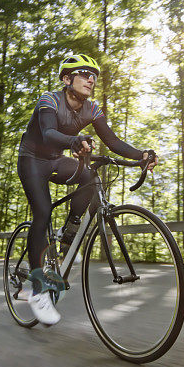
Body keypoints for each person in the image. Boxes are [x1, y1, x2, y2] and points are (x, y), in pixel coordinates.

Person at [16, 53, 157, 325]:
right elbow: (48, 133)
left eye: (94, 76)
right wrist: (75, 140)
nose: (91, 80)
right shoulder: (49, 99)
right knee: (42, 212)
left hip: (56, 160)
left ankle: (69, 231)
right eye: (84, 74)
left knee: (90, 177)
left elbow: (113, 140)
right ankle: (37, 289)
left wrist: (141, 155)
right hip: (31, 160)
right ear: (67, 78)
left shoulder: (92, 109)